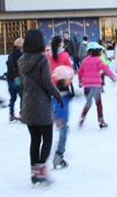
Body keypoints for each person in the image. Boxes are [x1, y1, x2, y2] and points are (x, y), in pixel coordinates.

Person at [18, 29, 63, 184]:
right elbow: (47, 82)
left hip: (27, 103)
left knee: (35, 139)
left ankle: (34, 172)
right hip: (42, 103)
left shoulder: (22, 60)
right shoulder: (42, 60)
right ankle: (42, 170)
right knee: (48, 138)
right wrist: (57, 95)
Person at [78, 42, 117, 129]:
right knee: (98, 103)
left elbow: (80, 72)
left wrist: (80, 81)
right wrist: (113, 77)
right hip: (96, 85)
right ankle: (101, 121)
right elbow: (106, 69)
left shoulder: (84, 60)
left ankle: (82, 117)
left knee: (88, 102)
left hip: (87, 86)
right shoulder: (98, 60)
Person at [51, 65, 74, 169]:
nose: (69, 81)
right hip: (61, 117)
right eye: (68, 79)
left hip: (61, 117)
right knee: (63, 137)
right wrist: (58, 117)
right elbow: (56, 104)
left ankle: (59, 156)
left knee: (63, 136)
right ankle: (58, 156)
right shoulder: (61, 92)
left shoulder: (60, 90)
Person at [6, 37, 24, 122]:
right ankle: (22, 114)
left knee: (12, 98)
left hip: (10, 79)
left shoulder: (10, 55)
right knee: (22, 97)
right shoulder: (20, 55)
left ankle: (11, 114)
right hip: (18, 79)